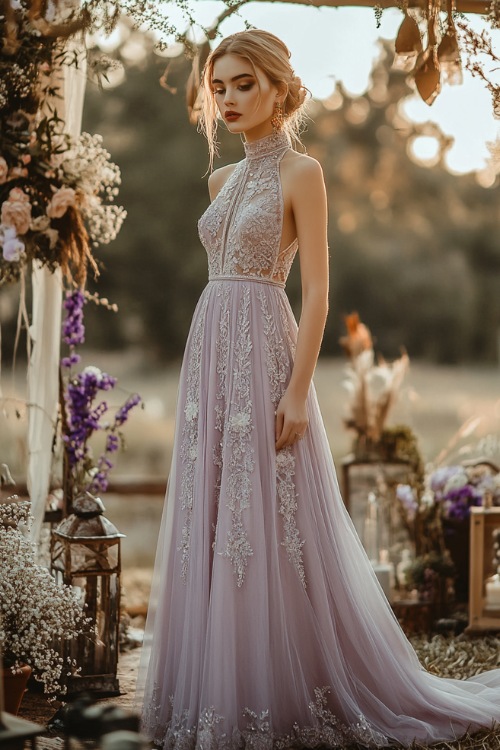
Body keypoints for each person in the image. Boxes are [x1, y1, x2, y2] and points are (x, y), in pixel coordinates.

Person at [136, 29, 500, 749]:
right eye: (220, 87)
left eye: (245, 84)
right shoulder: (219, 180)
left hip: (266, 347)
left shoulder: (304, 172)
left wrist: (298, 391)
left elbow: (321, 293)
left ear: (278, 88)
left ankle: (279, 682)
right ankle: (216, 687)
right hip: (211, 348)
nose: (230, 99)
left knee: (264, 513)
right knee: (214, 507)